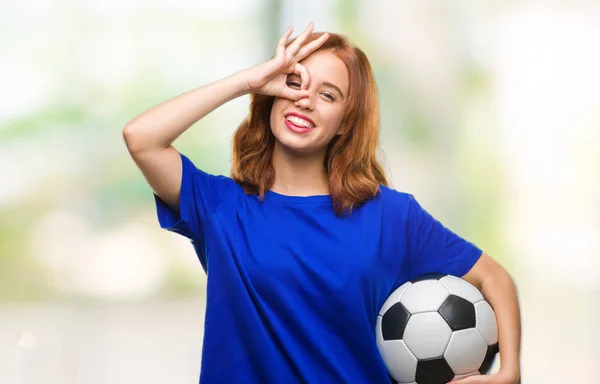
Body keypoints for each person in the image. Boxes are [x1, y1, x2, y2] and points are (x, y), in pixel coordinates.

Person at [123, 23, 521, 384]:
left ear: (345, 121)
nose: (305, 100)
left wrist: (509, 372)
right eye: (294, 83)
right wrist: (248, 80)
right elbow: (141, 137)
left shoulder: (390, 215)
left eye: (327, 95)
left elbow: (495, 278)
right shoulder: (219, 207)